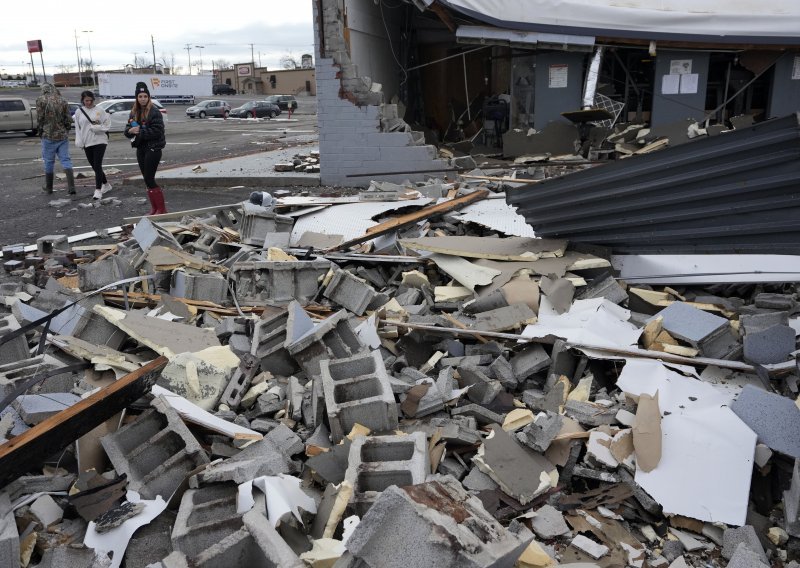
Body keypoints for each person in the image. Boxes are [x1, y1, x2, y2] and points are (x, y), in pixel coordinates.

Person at [124, 81, 167, 215]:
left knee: (150, 178)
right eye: (140, 96)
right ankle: (154, 208)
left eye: (145, 96)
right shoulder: (133, 112)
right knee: (146, 179)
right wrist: (130, 131)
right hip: (140, 148)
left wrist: (140, 131)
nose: (143, 99)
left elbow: (158, 131)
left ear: (149, 97)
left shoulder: (154, 111)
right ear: (136, 98)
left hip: (153, 148)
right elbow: (127, 129)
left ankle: (161, 208)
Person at [36, 83, 74, 195]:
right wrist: (66, 129)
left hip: (48, 135)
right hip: (62, 135)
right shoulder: (62, 100)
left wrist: (40, 131)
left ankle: (49, 188)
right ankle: (71, 187)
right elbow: (68, 118)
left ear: (43, 90)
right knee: (66, 160)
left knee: (49, 161)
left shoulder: (41, 100)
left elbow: (40, 118)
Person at [73, 90, 112, 200]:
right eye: (86, 100)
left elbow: (107, 124)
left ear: (93, 100)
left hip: (100, 140)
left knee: (97, 164)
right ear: (82, 100)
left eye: (90, 100)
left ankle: (98, 190)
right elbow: (78, 128)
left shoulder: (100, 110)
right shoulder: (79, 112)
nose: (88, 103)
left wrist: (98, 128)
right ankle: (106, 185)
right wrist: (79, 141)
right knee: (94, 166)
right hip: (87, 142)